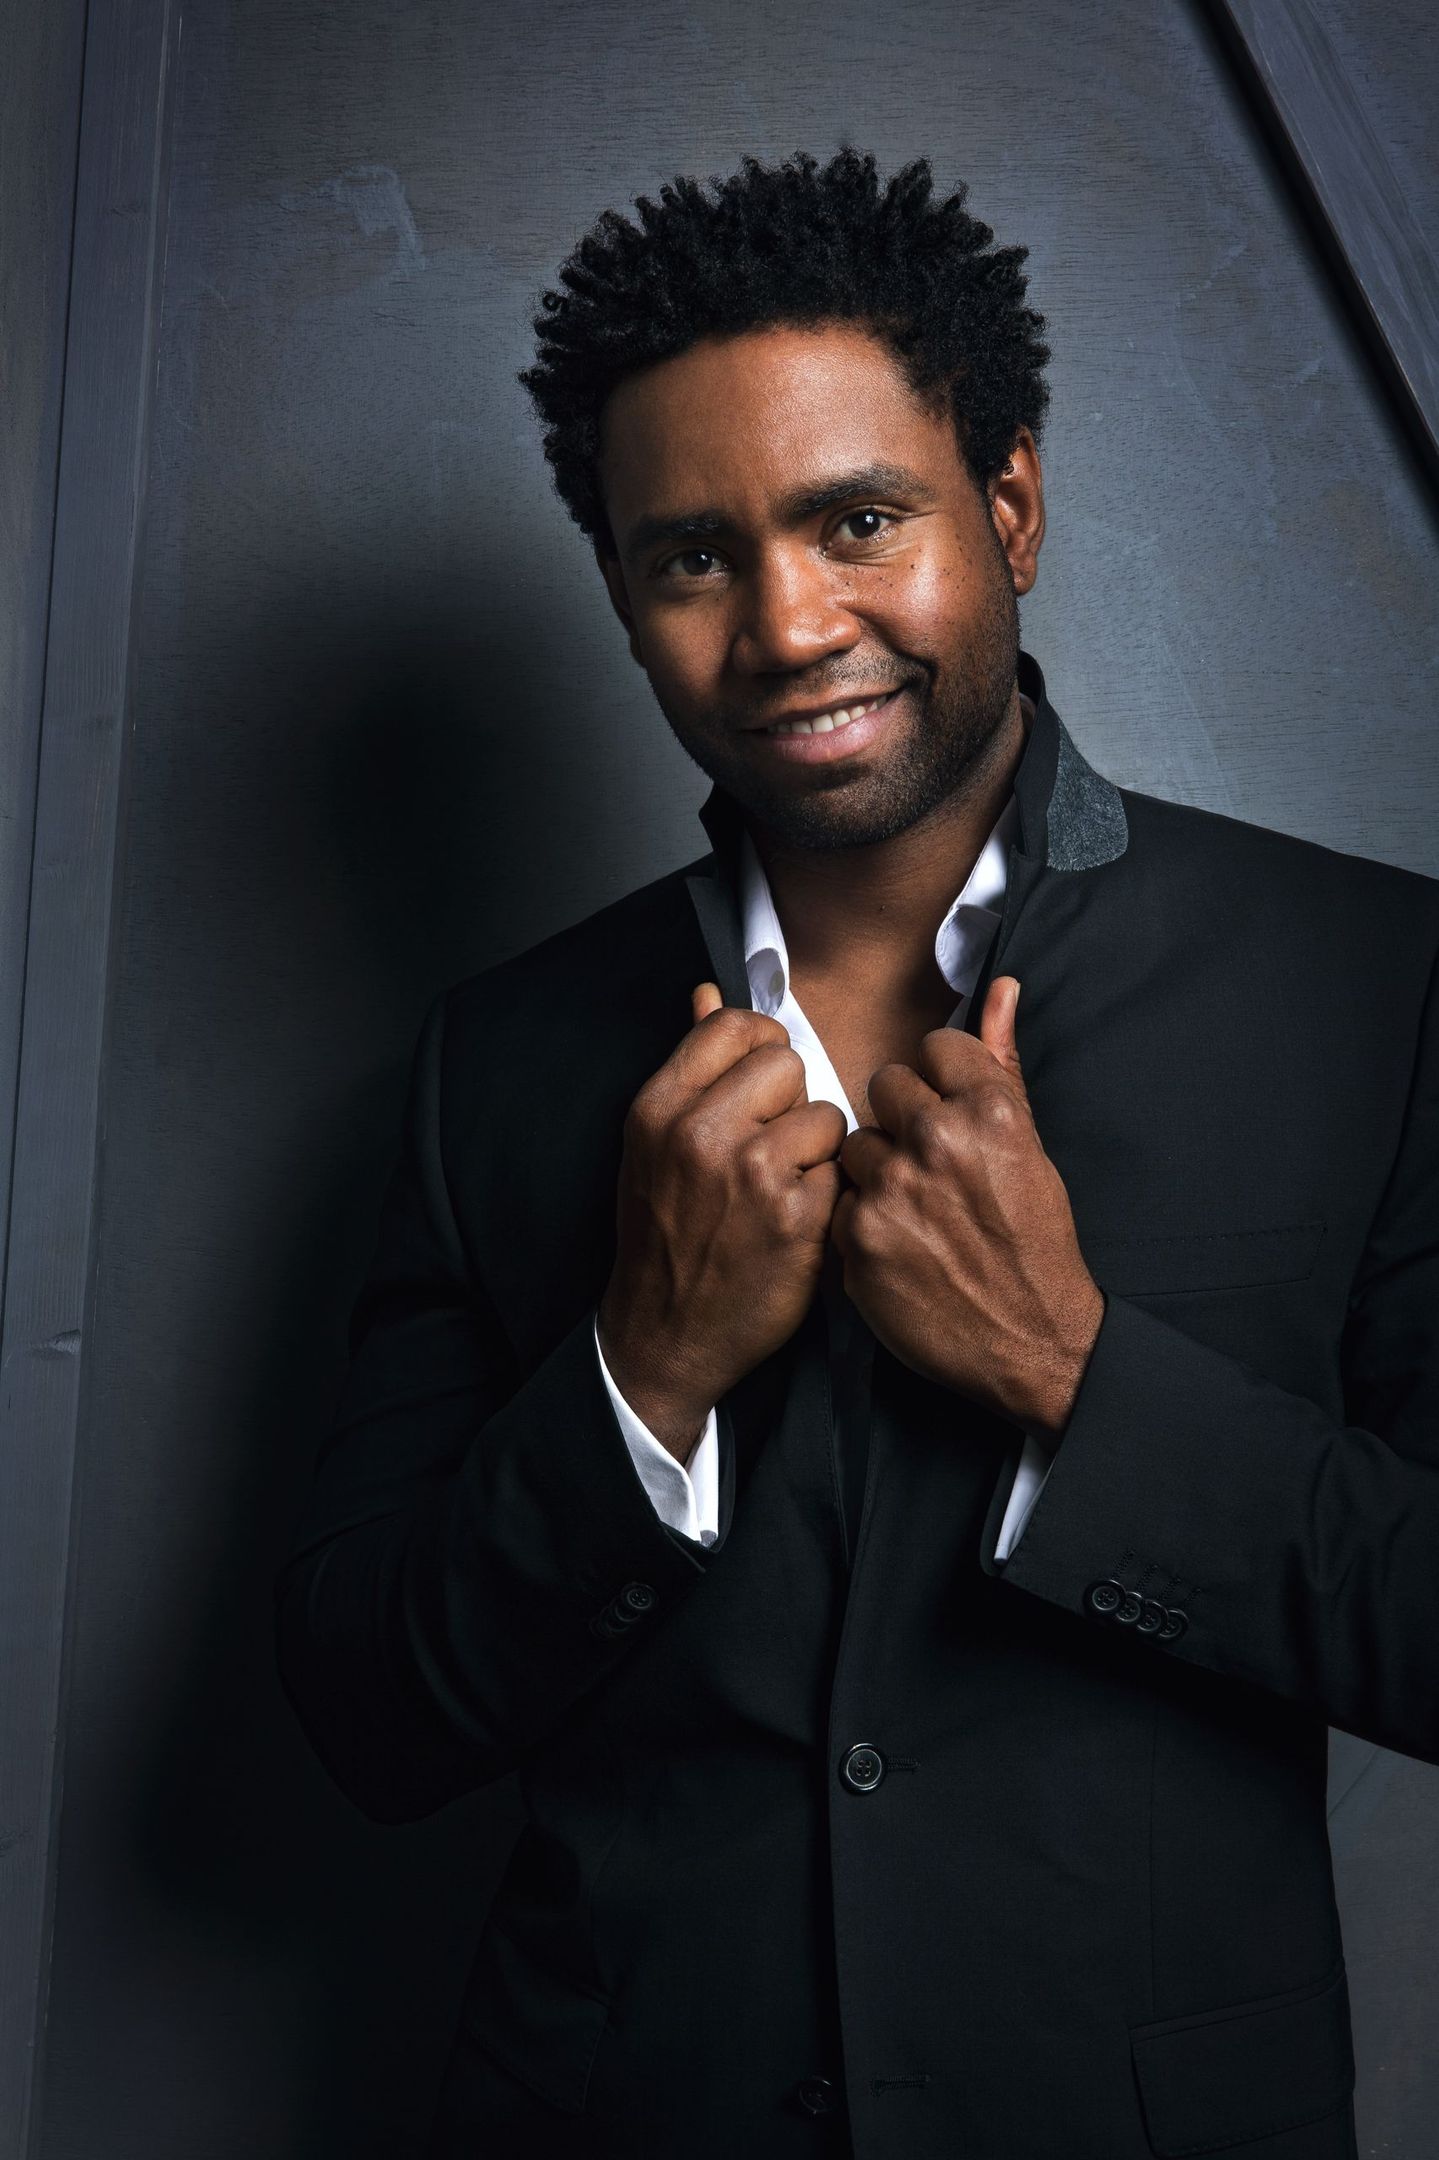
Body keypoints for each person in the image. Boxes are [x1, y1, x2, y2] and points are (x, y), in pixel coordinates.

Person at [276, 149, 1439, 2159]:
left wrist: (1077, 1376)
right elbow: (371, 1719)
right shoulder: (498, 1062)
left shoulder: (1374, 986)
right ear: (623, 599)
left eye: (859, 520)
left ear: (1012, 508)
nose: (788, 624)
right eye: (692, 557)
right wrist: (641, 1374)